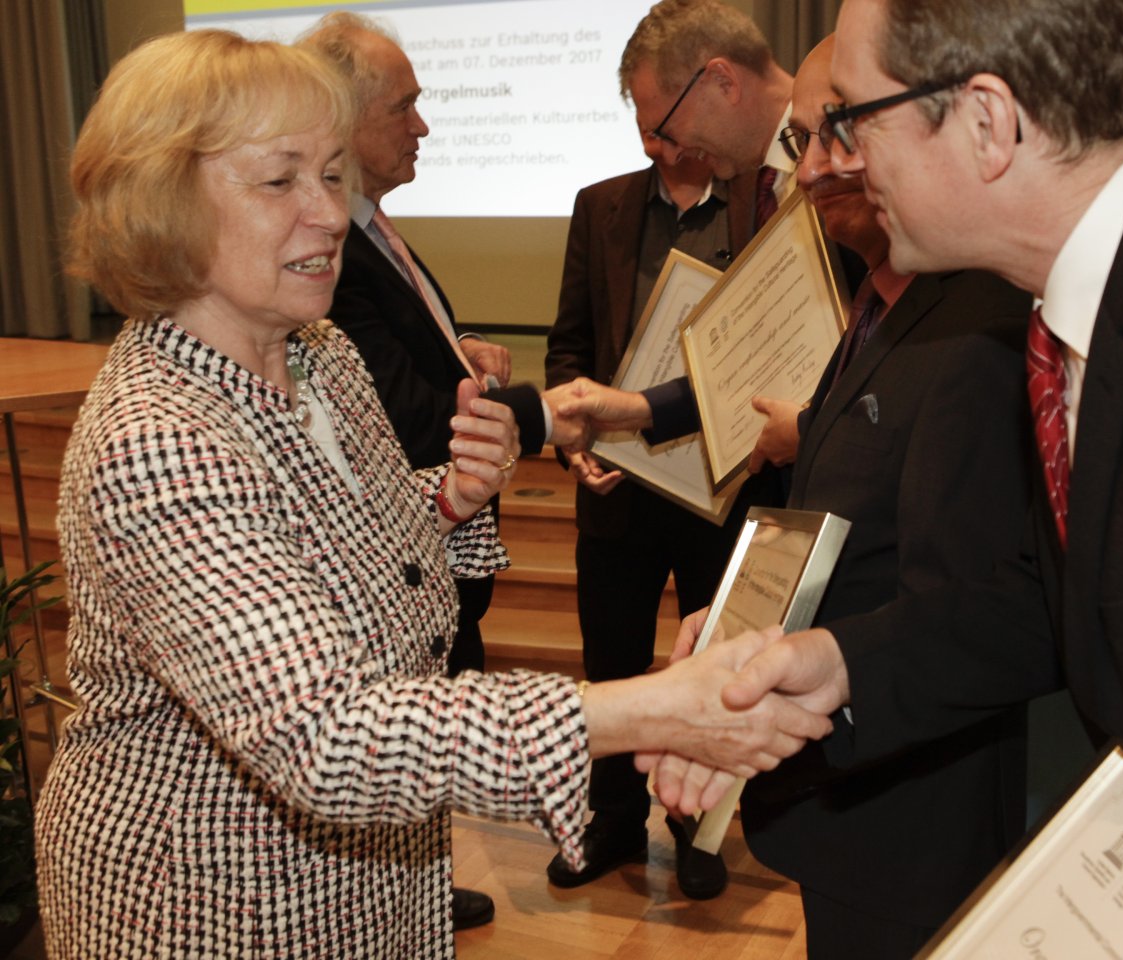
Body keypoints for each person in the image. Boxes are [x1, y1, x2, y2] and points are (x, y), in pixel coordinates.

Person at [33, 31, 835, 960]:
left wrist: (447, 500)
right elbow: (322, 734)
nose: (329, 215)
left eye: (333, 176)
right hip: (215, 904)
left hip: (367, 882)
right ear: (161, 201)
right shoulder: (159, 435)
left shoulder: (320, 357)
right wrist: (648, 709)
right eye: (281, 179)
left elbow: (354, 534)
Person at [661, 0, 1123, 840]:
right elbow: (1063, 604)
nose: (830, 165)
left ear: (987, 122)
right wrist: (842, 667)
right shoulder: (1080, 307)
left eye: (851, 117)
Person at [559, 35, 1035, 955]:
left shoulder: (973, 320)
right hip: (859, 803)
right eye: (805, 142)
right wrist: (740, 624)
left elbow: (980, 611)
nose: (811, 169)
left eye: (832, 136)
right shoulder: (895, 298)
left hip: (911, 811)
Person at [298, 12, 571, 686]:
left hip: (437, 572)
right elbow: (403, 421)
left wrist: (460, 345)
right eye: (405, 107)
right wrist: (539, 414)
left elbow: (402, 338)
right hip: (407, 579)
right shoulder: (329, 257)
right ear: (343, 120)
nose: (421, 126)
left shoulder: (367, 230)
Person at [541, 129, 753, 898]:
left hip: (721, 489)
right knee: (613, 663)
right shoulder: (601, 206)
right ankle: (615, 822)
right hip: (618, 489)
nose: (658, 142)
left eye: (669, 122)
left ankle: (699, 827)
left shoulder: (760, 205)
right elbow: (568, 348)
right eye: (644, 124)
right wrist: (576, 447)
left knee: (716, 667)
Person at [620, 0, 796, 233]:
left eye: (668, 133)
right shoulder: (758, 189)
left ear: (724, 82)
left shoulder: (847, 153)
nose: (672, 157)